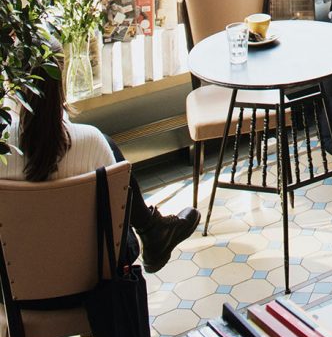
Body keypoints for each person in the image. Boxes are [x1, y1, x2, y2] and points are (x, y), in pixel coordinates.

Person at [0, 48, 200, 274]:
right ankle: (153, 231)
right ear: (62, 83)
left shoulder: (2, 148)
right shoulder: (92, 142)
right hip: (91, 277)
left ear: (11, 83)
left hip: (14, 278)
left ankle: (154, 231)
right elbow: (118, 216)